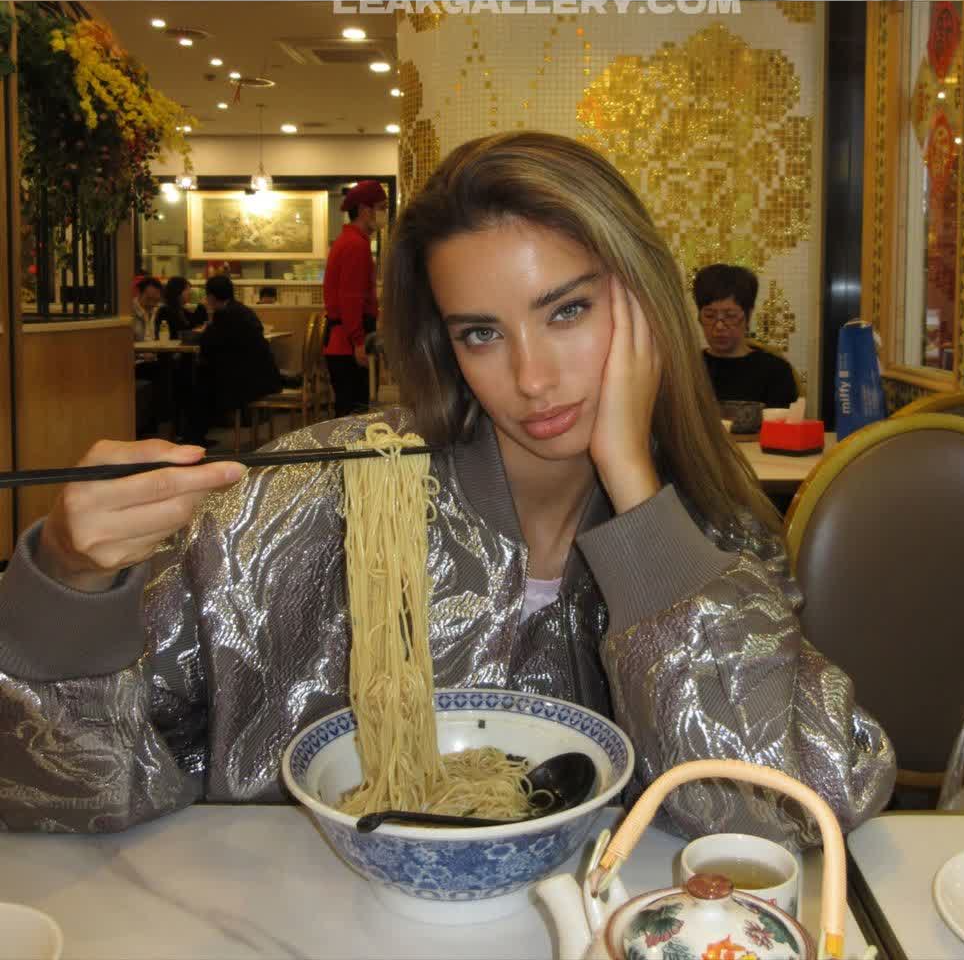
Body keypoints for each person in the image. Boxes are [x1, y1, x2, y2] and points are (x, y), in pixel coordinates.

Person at [0, 133, 894, 842]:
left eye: (568, 310)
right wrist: (69, 584)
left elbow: (789, 808)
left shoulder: (714, 539)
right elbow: (66, 792)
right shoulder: (295, 506)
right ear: (444, 344)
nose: (533, 377)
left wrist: (636, 490)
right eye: (481, 333)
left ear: (646, 305)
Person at [185, 273, 283, 441]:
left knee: (200, 380)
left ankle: (193, 437)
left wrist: (207, 323)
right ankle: (196, 435)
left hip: (250, 381)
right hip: (264, 376)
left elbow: (208, 344)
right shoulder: (241, 310)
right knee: (205, 376)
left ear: (211, 297)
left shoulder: (225, 314)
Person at [322, 180, 387, 417]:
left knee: (350, 412)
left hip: (344, 340)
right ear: (364, 210)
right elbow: (350, 298)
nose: (384, 214)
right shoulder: (355, 245)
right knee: (353, 415)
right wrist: (359, 342)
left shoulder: (350, 241)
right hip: (347, 343)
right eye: (381, 207)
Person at [694, 263, 800, 408]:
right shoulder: (689, 368)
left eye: (730, 315)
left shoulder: (775, 371)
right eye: (709, 316)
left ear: (748, 315)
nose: (719, 326)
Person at [130, 275, 164, 342]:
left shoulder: (158, 311)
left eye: (156, 300)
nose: (152, 304)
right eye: (148, 299)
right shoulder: (129, 312)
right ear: (139, 293)